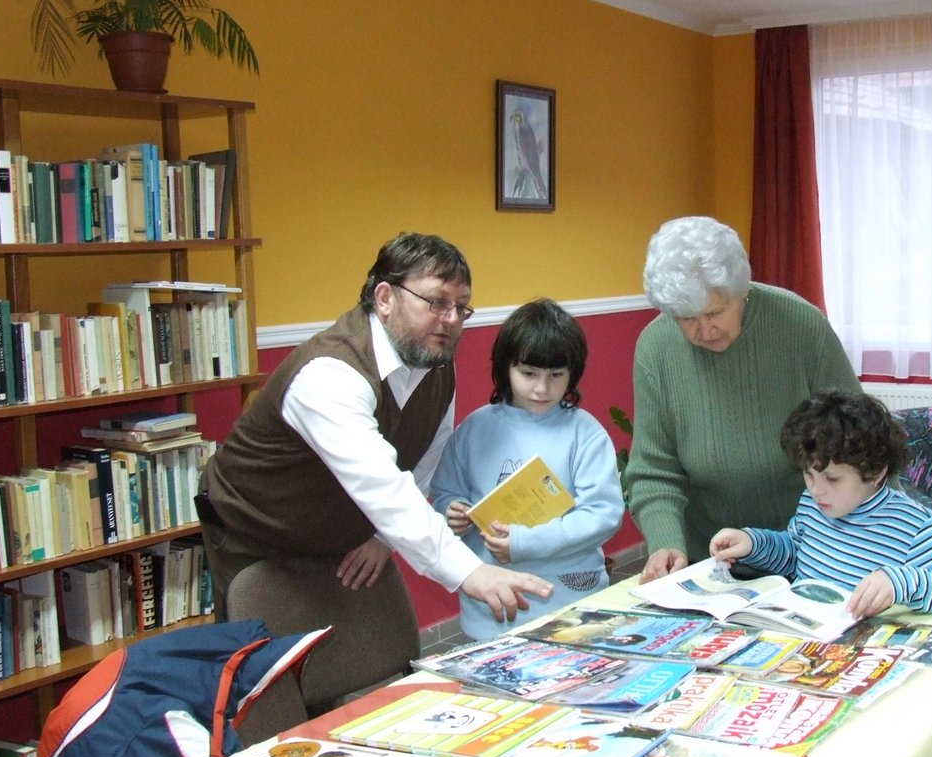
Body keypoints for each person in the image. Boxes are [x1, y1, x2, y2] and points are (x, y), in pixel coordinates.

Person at [198, 232, 552, 625]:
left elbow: (426, 459)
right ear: (385, 298)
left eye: (461, 306)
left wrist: (384, 538)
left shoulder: (435, 363)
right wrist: (470, 572)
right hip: (253, 533)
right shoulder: (328, 375)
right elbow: (381, 484)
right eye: (437, 302)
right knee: (264, 657)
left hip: (335, 532)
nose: (452, 319)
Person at [624, 216, 863, 582]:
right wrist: (666, 543)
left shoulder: (801, 325)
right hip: (710, 562)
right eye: (686, 318)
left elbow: (861, 439)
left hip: (815, 552)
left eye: (715, 312)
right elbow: (654, 471)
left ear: (742, 290)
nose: (705, 330)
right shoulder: (656, 348)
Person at [432, 299, 625, 639]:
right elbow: (445, 493)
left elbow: (602, 515)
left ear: (573, 373)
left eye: (556, 375)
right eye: (528, 373)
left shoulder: (585, 433)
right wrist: (452, 511)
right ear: (505, 368)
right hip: (492, 612)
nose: (541, 388)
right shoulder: (474, 429)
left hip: (571, 603)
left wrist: (524, 542)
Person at [710, 389, 932, 618]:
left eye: (832, 479)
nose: (816, 489)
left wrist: (901, 583)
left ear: (876, 471)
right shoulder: (812, 505)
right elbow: (795, 555)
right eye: (808, 474)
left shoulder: (914, 526)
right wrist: (753, 543)